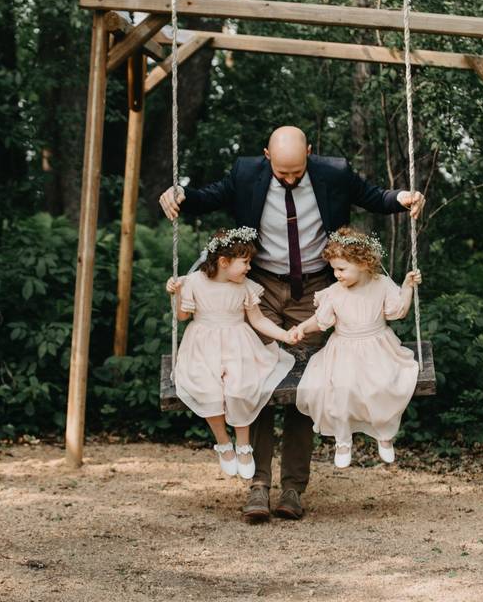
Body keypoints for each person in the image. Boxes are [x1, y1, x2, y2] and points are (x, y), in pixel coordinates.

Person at [159, 125, 425, 522]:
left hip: (316, 287)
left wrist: (401, 197)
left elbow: (373, 196)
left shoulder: (333, 172)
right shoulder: (246, 172)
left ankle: (292, 488)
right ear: (267, 155)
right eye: (282, 172)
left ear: (310, 155)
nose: (289, 178)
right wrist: (180, 194)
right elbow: (207, 197)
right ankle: (259, 485)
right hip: (259, 284)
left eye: (297, 171)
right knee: (257, 378)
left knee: (307, 380)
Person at [165, 227, 298, 480]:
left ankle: (244, 445)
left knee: (241, 387)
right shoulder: (193, 282)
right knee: (208, 389)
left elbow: (258, 321)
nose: (249, 267)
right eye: (245, 262)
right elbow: (182, 317)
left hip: (239, 344)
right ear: (224, 262)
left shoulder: (245, 286)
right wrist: (177, 292)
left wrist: (284, 335)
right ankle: (223, 443)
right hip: (202, 346)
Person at [290, 227, 422, 468]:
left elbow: (399, 311)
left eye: (341, 269)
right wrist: (301, 328)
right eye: (333, 269)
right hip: (343, 350)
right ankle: (342, 440)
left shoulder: (381, 284)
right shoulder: (333, 293)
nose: (336, 274)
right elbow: (321, 321)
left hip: (378, 347)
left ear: (362, 263)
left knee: (382, 385)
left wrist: (407, 286)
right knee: (339, 389)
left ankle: (384, 434)